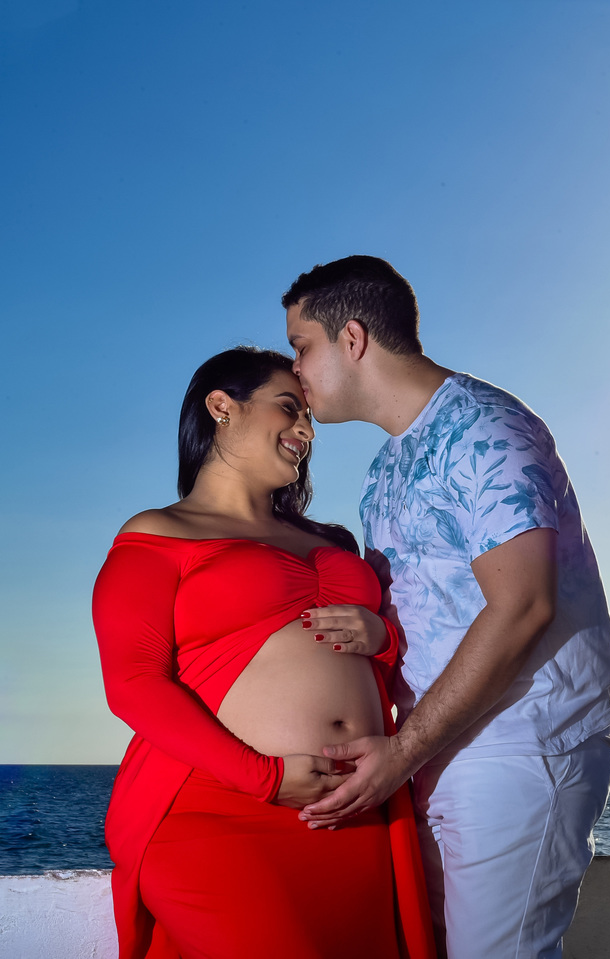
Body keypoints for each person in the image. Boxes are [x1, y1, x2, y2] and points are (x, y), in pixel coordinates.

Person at [282, 256, 610, 958]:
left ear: (351, 339)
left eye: (300, 346)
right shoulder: (386, 468)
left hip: (520, 746)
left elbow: (523, 604)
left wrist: (400, 754)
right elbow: (432, 607)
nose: (295, 372)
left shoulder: (486, 428)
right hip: (440, 747)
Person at [92, 347, 435, 959]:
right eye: (288, 408)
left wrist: (385, 638)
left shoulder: (332, 541)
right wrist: (266, 778)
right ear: (222, 406)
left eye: (308, 417)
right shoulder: (158, 534)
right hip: (220, 812)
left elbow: (381, 651)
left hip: (355, 813)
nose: (306, 430)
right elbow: (134, 683)